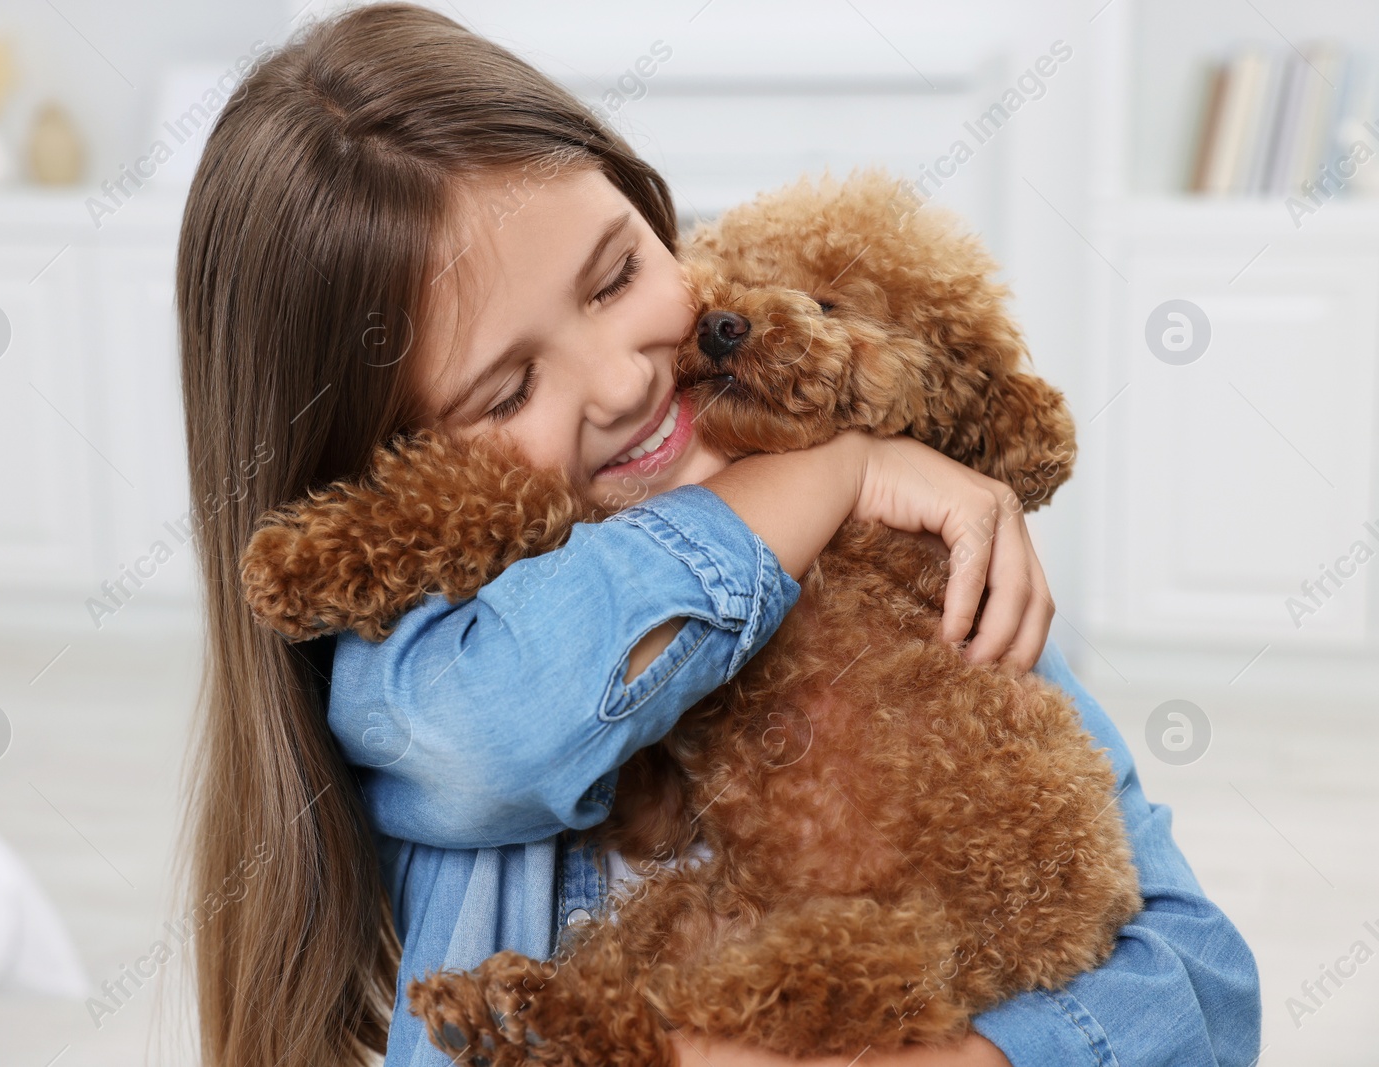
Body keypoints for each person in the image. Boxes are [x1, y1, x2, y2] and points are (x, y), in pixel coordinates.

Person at [173, 5, 1261, 1067]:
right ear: (379, 452)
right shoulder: (414, 661)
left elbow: (1203, 982)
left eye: (618, 276)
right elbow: (503, 726)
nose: (624, 379)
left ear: (657, 215)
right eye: (505, 392)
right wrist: (838, 470)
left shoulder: (925, 571)